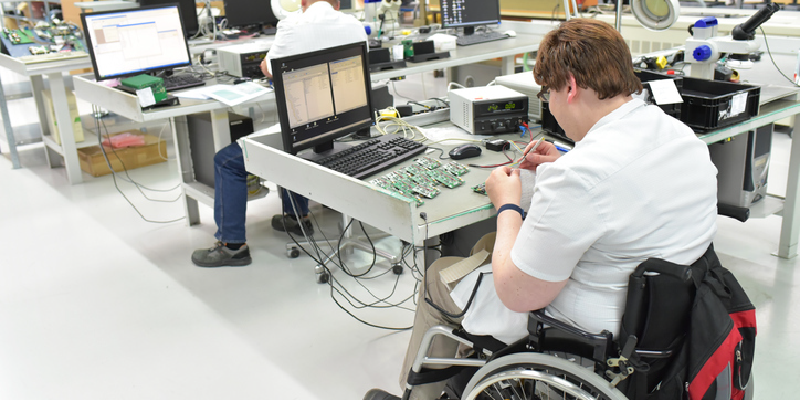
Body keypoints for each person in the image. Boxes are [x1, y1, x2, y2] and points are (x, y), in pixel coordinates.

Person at [364, 19, 718, 400]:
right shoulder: (678, 136)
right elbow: (625, 184)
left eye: (547, 92)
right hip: (662, 321)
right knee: (486, 243)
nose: (547, 103)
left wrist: (508, 204)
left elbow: (518, 294)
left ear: (570, 86)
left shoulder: (581, 176)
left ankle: (417, 396)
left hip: (589, 330)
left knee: (439, 275)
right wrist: (561, 163)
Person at [191, 0, 368, 267]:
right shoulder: (354, 25)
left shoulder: (292, 25)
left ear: (304, 2)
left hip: (305, 129)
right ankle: (297, 218)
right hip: (343, 126)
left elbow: (268, 68)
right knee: (296, 143)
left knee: (227, 162)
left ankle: (232, 246)